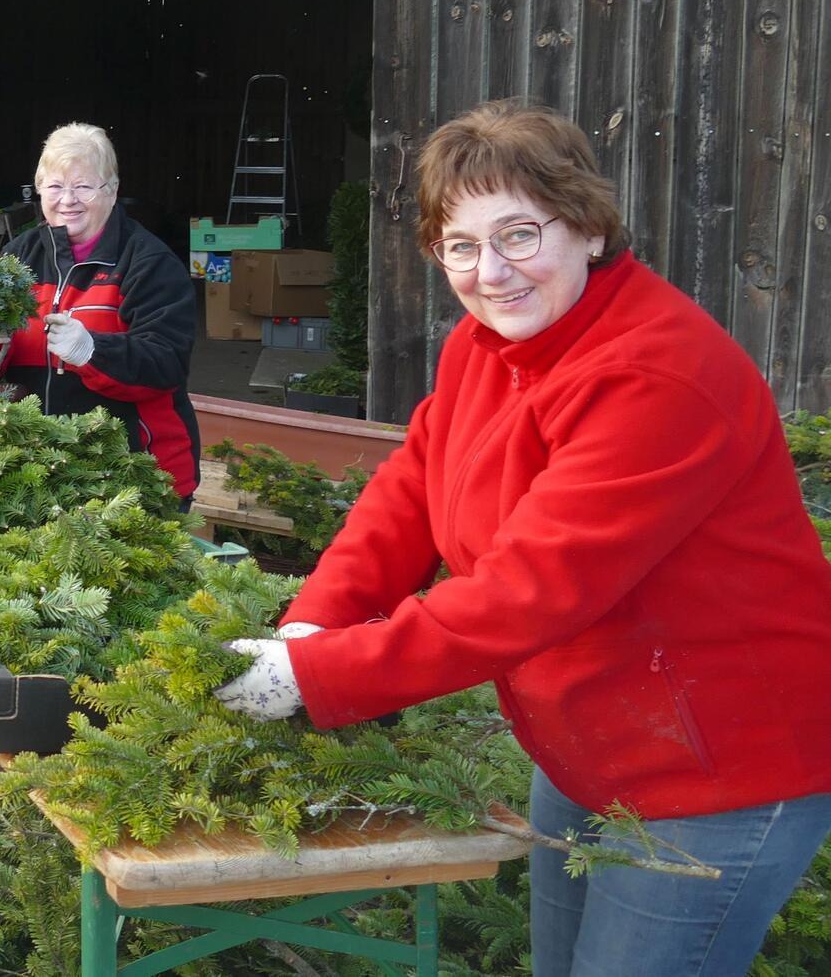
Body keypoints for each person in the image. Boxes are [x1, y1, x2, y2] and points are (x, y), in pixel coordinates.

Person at [211, 101, 831, 977]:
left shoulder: (657, 374)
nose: (490, 273)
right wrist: (316, 622)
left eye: (518, 236)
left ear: (585, 226)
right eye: (458, 246)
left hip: (719, 772)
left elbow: (529, 589)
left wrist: (320, 678)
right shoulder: (485, 344)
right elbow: (412, 489)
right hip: (595, 746)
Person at [0, 122, 200, 501]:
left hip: (135, 476)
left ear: (113, 190)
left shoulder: (149, 264)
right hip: (38, 473)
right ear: (38, 191)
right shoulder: (17, 257)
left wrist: (93, 352)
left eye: (84, 187)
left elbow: (165, 363)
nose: (67, 199)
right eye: (54, 186)